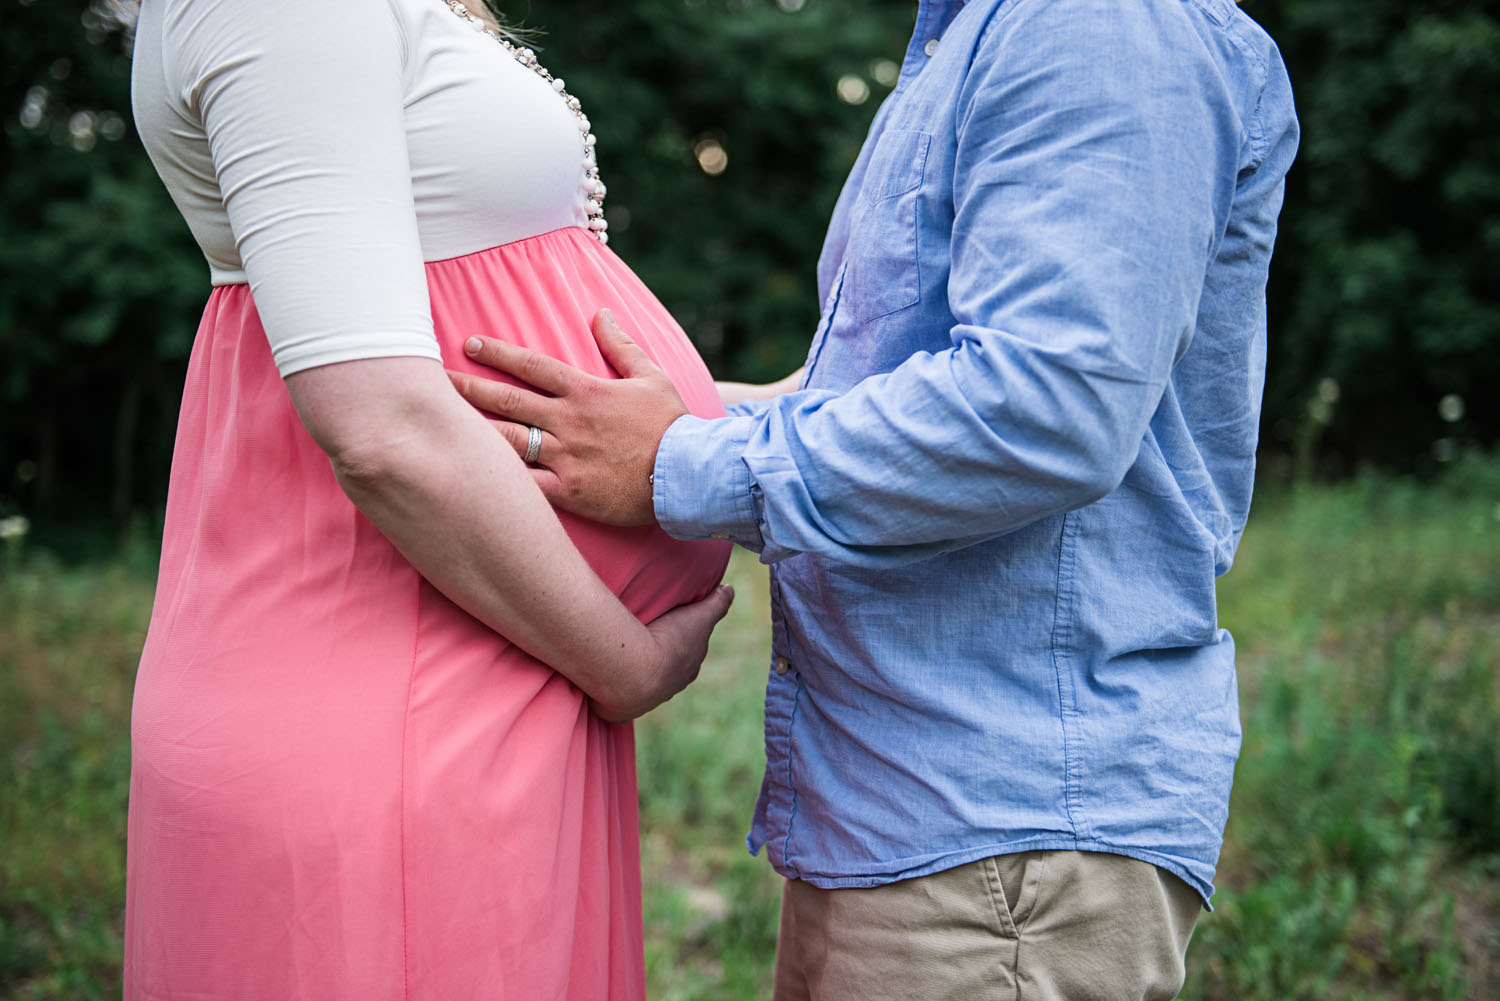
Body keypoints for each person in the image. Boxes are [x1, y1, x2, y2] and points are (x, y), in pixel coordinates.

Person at [451, 0, 1300, 997]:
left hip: (1003, 839)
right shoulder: (973, 39)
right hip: (913, 819)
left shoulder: (1094, 25)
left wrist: (678, 464)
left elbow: (1045, 409)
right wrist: (619, 422)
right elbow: (876, 393)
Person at [124, 0, 734, 997]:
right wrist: (622, 664)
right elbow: (383, 430)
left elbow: (481, 355)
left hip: (483, 668)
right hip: (395, 706)